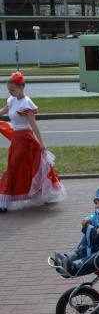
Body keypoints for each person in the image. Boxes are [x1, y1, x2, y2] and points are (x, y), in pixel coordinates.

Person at [0, 71, 66, 212]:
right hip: (16, 139)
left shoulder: (26, 103)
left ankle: (4, 202)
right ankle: (39, 194)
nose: (10, 93)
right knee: (21, 167)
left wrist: (42, 143)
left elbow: (34, 125)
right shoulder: (12, 100)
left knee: (18, 167)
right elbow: (3, 111)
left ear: (22, 87)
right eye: (9, 90)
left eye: (13, 90)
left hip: (26, 140)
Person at [53, 183, 99, 275]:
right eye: (96, 203)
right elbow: (93, 216)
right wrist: (87, 219)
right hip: (92, 244)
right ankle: (68, 258)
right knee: (82, 245)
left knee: (93, 258)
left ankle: (74, 266)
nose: (98, 206)